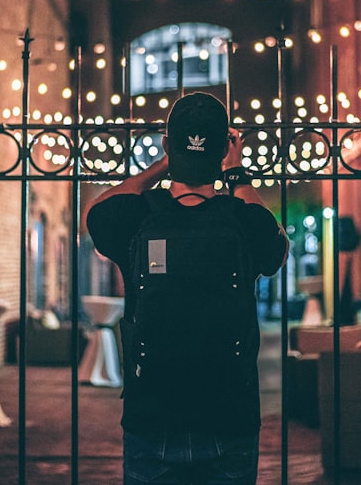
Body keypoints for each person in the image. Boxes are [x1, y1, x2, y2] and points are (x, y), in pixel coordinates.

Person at [85, 92, 287, 485]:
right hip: (229, 415)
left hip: (152, 415)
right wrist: (237, 174)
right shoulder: (242, 219)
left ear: (166, 143)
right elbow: (276, 250)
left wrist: (162, 166)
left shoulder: (138, 215)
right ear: (223, 151)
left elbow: (96, 213)